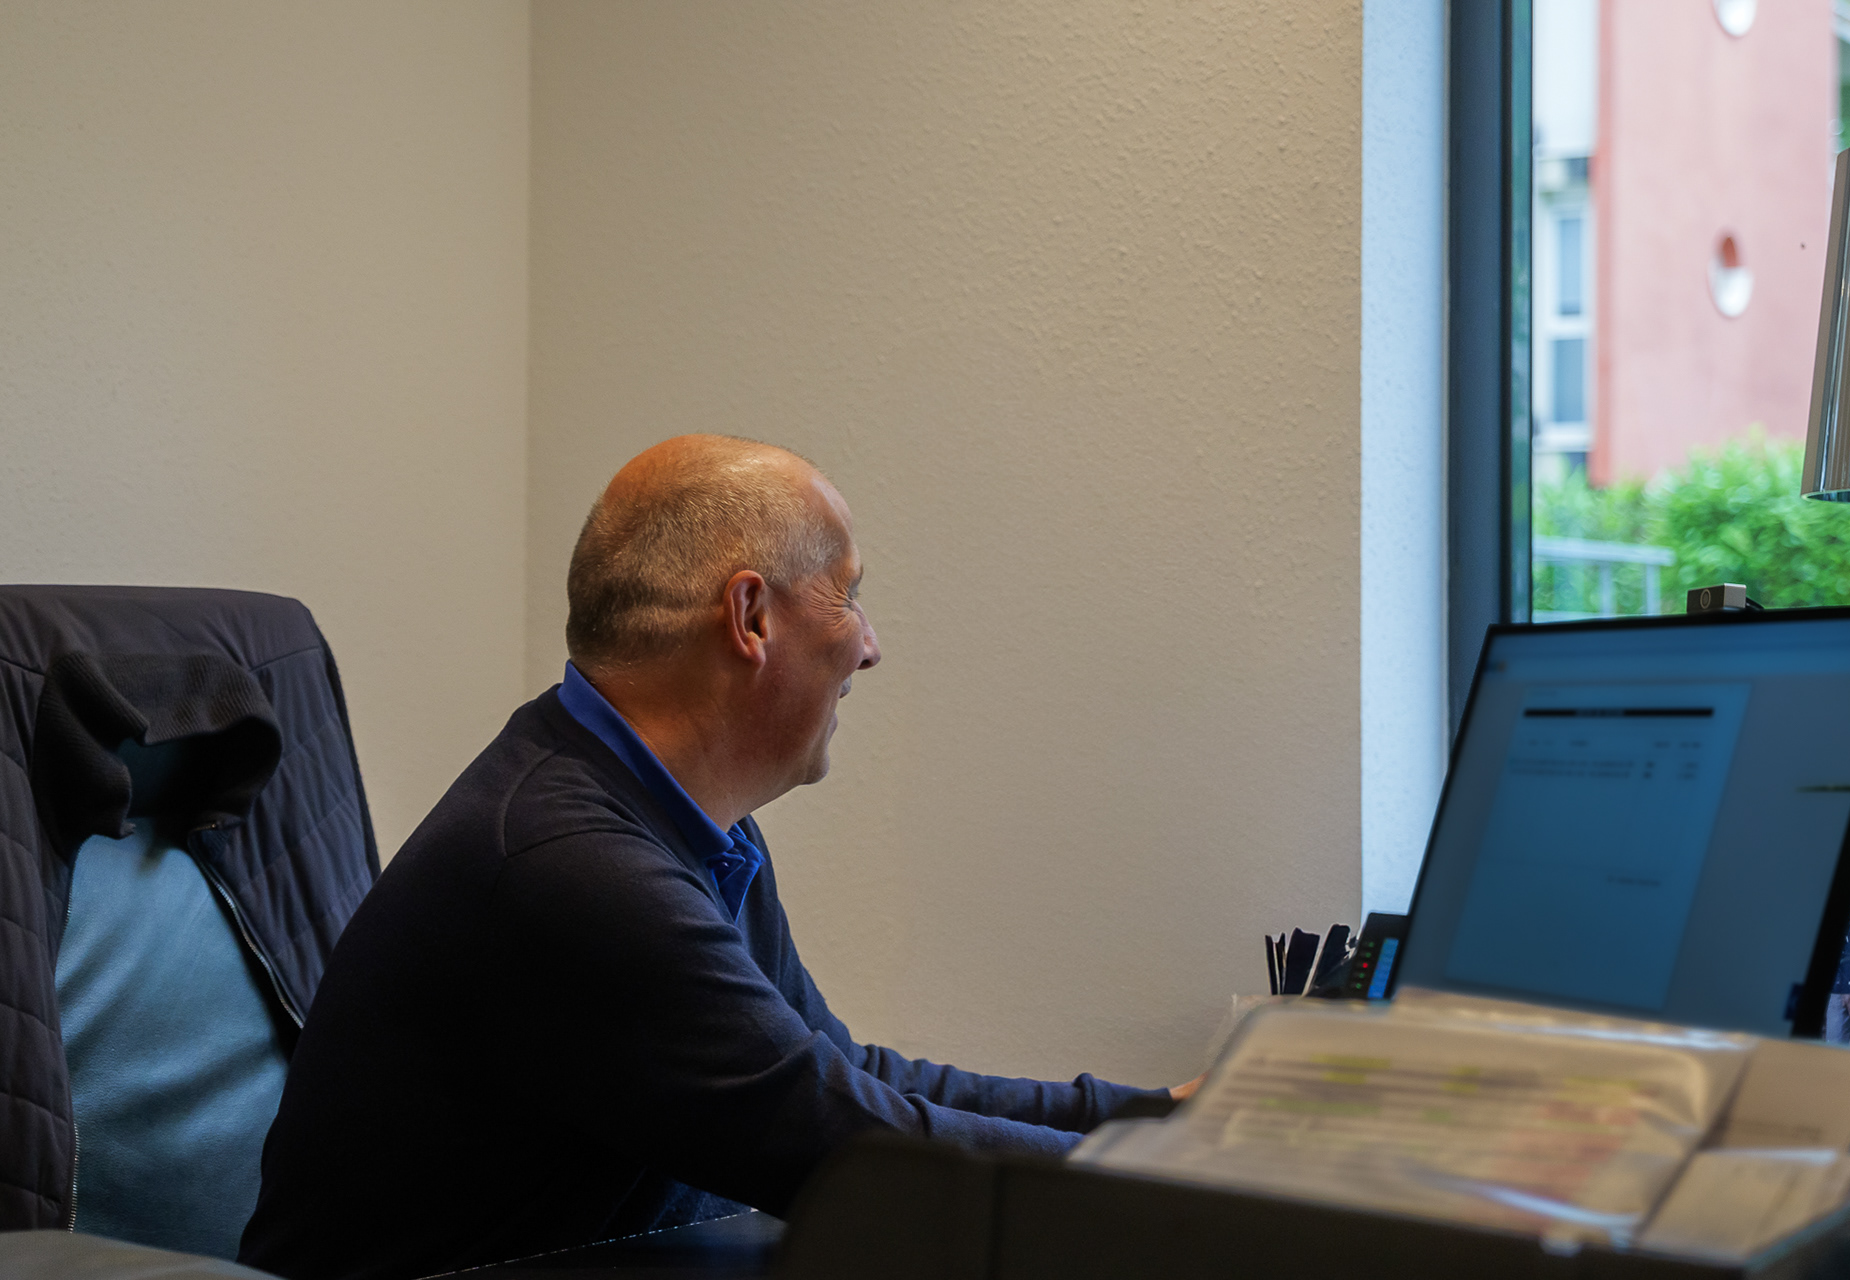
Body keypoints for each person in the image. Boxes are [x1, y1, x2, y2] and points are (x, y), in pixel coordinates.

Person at [239, 436, 1191, 1280]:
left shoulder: (692, 825)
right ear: (752, 616)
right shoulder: (568, 866)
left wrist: (1158, 1118)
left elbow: (838, 1075)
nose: (869, 646)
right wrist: (1187, 1171)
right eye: (850, 594)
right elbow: (847, 1151)